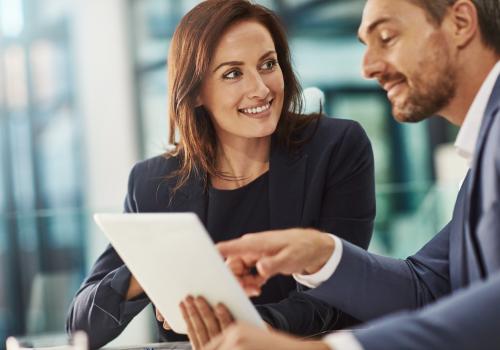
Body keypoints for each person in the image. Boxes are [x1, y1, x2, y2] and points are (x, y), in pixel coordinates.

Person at [181, 0, 500, 349]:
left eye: (387, 37)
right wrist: (321, 254)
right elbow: (427, 287)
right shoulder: (484, 155)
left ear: (460, 22)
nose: (368, 67)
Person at [65, 0, 376, 348]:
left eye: (268, 64)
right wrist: (153, 272)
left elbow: (337, 295)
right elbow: (82, 324)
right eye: (233, 73)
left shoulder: (336, 147)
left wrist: (240, 329)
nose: (260, 88)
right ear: (196, 92)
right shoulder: (153, 182)